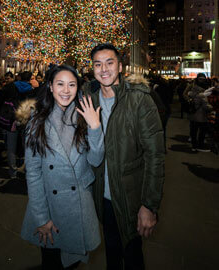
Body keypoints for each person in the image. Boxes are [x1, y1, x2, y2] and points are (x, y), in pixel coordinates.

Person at [82, 43, 165, 270]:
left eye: (110, 62)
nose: (104, 69)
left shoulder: (139, 100)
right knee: (112, 254)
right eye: (98, 64)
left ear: (120, 66)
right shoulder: (89, 99)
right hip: (104, 198)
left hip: (131, 198)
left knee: (132, 256)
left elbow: (155, 156)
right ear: (93, 68)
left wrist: (149, 205)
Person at [18, 65, 104, 269]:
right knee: (52, 263)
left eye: (72, 84)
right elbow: (34, 173)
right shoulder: (36, 122)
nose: (66, 90)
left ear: (78, 88)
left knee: (72, 263)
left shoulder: (85, 116)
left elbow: (96, 160)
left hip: (79, 208)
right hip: (49, 206)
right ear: (50, 86)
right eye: (60, 84)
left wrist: (95, 127)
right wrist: (41, 218)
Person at [183, 73, 213, 152]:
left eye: (203, 79)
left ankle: (195, 145)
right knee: (198, 129)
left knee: (195, 128)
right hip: (199, 111)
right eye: (200, 79)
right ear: (197, 79)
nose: (202, 81)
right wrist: (189, 100)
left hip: (196, 111)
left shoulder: (205, 87)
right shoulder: (193, 86)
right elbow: (185, 94)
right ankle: (198, 145)